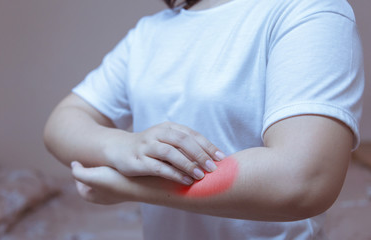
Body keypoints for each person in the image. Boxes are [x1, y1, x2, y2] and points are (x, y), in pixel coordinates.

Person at [43, 0, 364, 239]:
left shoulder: (307, 11)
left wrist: (132, 186)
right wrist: (124, 147)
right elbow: (63, 122)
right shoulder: (148, 33)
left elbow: (304, 180)